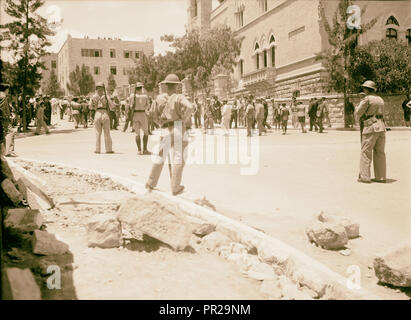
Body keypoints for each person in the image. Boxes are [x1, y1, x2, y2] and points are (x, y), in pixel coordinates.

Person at [146, 74, 193, 196]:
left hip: (165, 129)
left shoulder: (159, 98)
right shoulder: (179, 97)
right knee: (179, 158)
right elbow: (190, 107)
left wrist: (160, 123)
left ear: (166, 85)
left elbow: (151, 114)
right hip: (177, 126)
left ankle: (151, 182)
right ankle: (175, 187)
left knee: (160, 157)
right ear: (177, 86)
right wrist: (183, 119)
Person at [355, 80, 386, 184]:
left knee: (366, 152)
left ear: (366, 89)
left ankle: (364, 177)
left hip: (370, 127)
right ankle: (381, 177)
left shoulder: (367, 99)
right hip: (381, 126)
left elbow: (359, 112)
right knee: (380, 152)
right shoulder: (380, 99)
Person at [89, 82, 114, 154]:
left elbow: (90, 107)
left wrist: (95, 106)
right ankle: (108, 149)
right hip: (105, 113)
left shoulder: (93, 96)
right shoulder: (106, 96)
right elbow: (112, 106)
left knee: (97, 133)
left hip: (97, 113)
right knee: (107, 133)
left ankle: (97, 149)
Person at [128, 82, 151, 155]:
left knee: (137, 133)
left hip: (135, 114)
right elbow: (148, 106)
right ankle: (145, 149)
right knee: (146, 132)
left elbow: (130, 106)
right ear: (141, 88)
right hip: (142, 114)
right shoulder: (145, 96)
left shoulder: (132, 96)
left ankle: (139, 150)